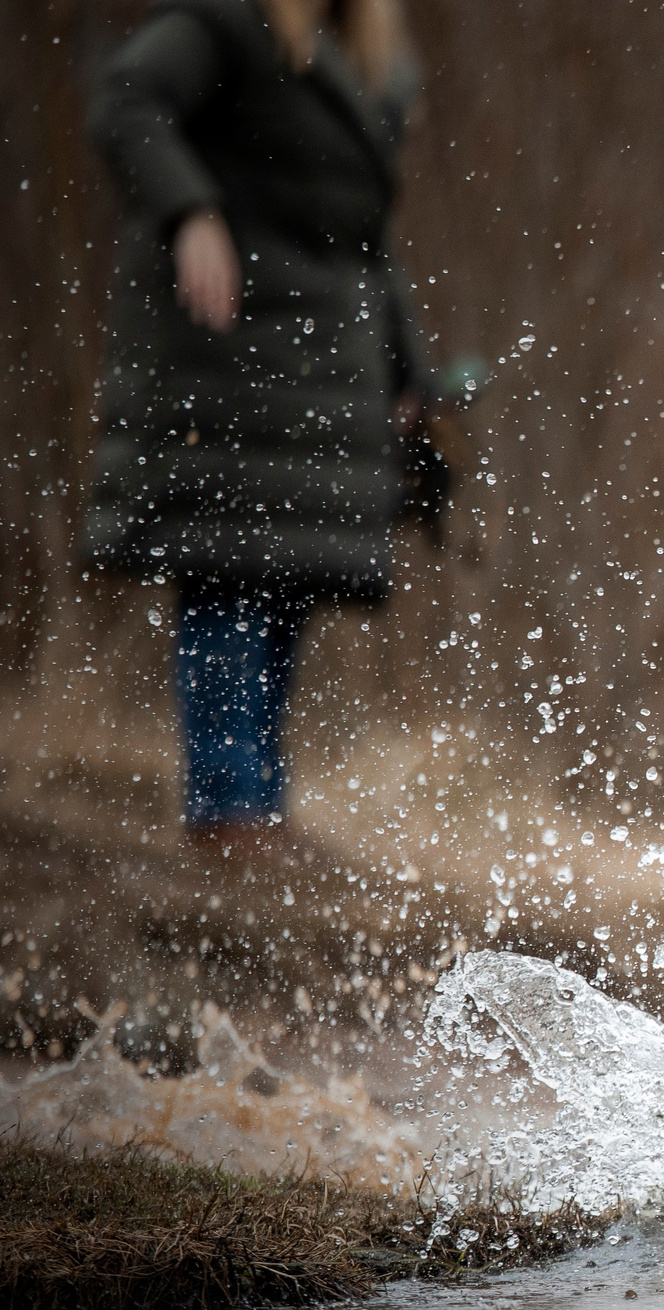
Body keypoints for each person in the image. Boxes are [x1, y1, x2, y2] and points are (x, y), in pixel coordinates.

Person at [84, 0, 426, 859]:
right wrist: (191, 210)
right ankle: (227, 804)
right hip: (231, 351)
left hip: (322, 361)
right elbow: (126, 101)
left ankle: (258, 802)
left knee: (284, 585)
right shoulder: (226, 24)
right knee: (228, 577)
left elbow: (367, 247)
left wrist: (404, 370)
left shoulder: (365, 58)